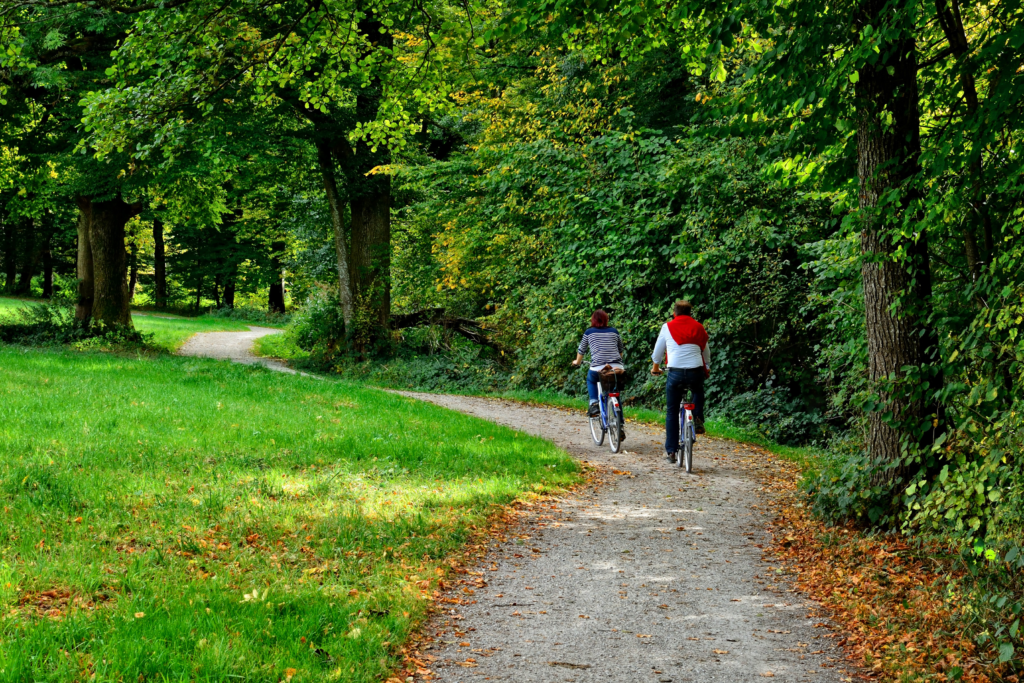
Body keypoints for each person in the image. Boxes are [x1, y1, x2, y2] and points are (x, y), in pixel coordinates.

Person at [651, 300, 710, 462]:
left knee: (671, 411)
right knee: (698, 390)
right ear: (690, 313)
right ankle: (697, 417)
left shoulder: (667, 327)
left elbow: (657, 353)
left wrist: (655, 368)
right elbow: (705, 349)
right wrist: (708, 366)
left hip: (675, 373)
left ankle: (671, 451)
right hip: (696, 371)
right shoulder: (698, 326)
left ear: (674, 313)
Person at [571, 309, 625, 419]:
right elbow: (620, 350)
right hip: (616, 368)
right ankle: (620, 425)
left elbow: (581, 350)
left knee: (591, 379)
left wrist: (577, 362)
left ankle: (594, 403)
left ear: (593, 320)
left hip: (598, 368)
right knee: (614, 391)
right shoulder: (614, 331)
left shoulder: (589, 332)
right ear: (606, 320)